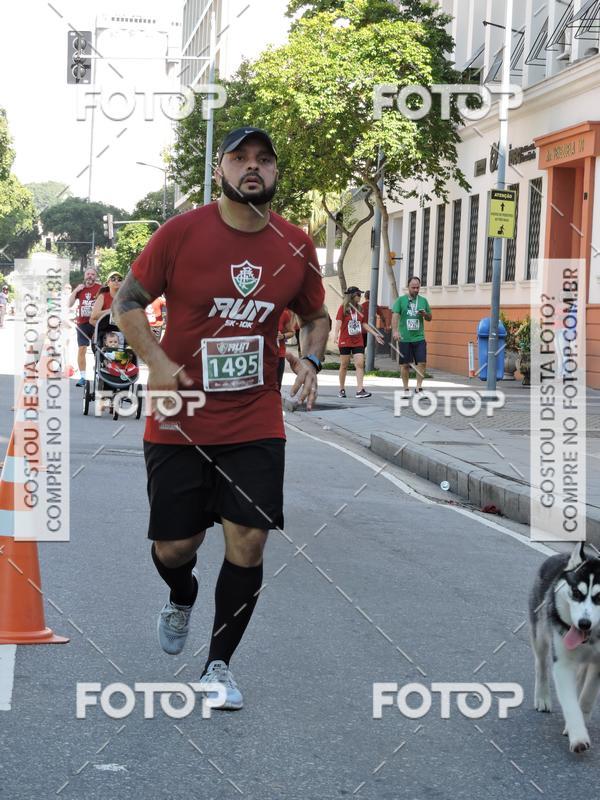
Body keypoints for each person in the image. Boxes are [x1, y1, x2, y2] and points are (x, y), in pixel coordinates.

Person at [113, 126, 329, 710]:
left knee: (249, 540)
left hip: (254, 419)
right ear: (220, 171)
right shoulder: (180, 233)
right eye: (239, 158)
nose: (252, 167)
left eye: (264, 159)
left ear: (275, 172)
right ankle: (181, 594)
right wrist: (157, 361)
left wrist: (311, 360)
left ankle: (218, 666)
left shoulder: (295, 244)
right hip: (179, 415)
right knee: (175, 547)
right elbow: (126, 301)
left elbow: (316, 315)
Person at [334, 286, 383, 399]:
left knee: (360, 364)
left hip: (358, 341)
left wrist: (375, 334)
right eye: (358, 295)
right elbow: (339, 322)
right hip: (345, 340)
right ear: (352, 296)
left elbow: (364, 324)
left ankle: (360, 390)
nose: (360, 297)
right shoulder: (343, 308)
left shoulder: (360, 309)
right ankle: (341, 389)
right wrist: (336, 335)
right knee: (344, 365)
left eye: (360, 295)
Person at [392, 276, 432, 395]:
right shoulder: (401, 300)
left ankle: (419, 387)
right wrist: (395, 331)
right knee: (405, 364)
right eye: (413, 287)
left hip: (419, 337)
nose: (415, 290)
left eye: (417, 287)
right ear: (408, 287)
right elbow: (395, 316)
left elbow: (430, 318)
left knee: (422, 362)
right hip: (405, 338)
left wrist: (425, 314)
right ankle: (406, 388)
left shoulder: (423, 301)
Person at [69, 269, 101, 386]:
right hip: (82, 324)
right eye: (88, 274)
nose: (90, 276)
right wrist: (75, 291)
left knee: (97, 349)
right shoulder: (80, 288)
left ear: (95, 276)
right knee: (82, 348)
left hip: (96, 323)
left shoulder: (100, 288)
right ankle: (82, 377)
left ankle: (99, 371)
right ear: (84, 276)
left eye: (93, 274)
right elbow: (69, 304)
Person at [276, 308, 295, 389]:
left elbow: (292, 332)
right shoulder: (261, 311)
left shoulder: (284, 314)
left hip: (279, 354)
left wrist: (283, 336)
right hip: (264, 355)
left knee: (277, 383)